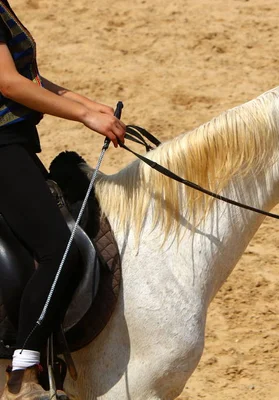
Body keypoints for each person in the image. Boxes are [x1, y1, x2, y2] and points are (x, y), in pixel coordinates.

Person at [0, 1, 126, 398]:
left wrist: (88, 105)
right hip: (2, 148)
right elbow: (9, 84)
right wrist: (82, 117)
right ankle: (27, 365)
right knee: (61, 251)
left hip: (14, 145)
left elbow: (29, 78)